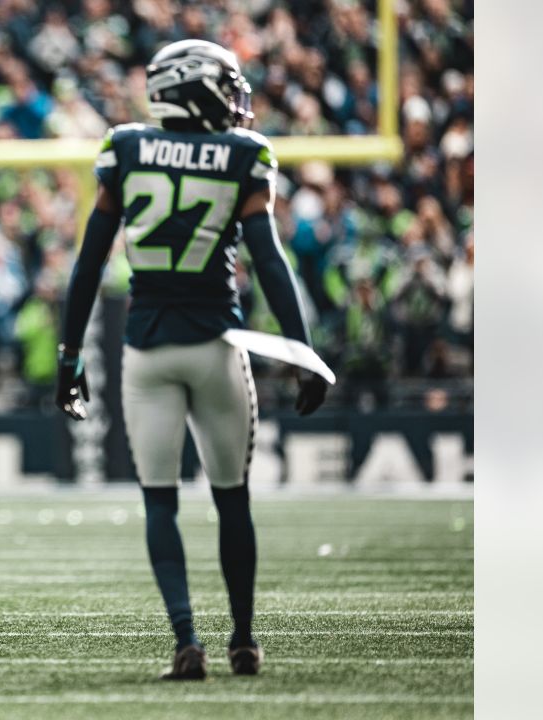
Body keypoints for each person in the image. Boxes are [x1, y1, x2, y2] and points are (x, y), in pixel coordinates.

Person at [55, 40, 329, 680]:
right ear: (200, 89)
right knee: (232, 499)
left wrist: (70, 354)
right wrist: (300, 348)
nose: (238, 102)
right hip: (216, 345)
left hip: (146, 351)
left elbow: (90, 261)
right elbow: (268, 259)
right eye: (228, 87)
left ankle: (186, 640)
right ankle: (243, 639)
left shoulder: (124, 147)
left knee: (160, 502)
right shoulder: (244, 155)